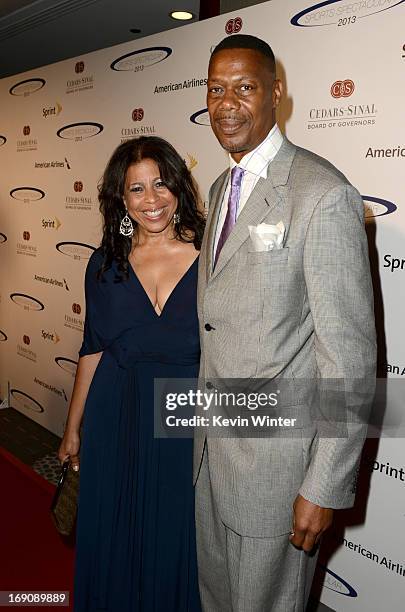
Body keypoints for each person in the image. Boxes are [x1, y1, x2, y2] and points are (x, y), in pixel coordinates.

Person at [194, 34, 376, 611]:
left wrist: (322, 485)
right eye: (217, 89)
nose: (228, 103)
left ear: (276, 93)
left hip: (277, 470)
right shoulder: (222, 186)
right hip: (211, 457)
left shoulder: (322, 195)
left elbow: (347, 358)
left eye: (244, 87)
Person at [58, 136, 204, 612]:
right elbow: (92, 349)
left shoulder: (212, 257)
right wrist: (73, 428)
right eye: (136, 189)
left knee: (176, 531)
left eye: (161, 184)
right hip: (115, 410)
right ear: (121, 199)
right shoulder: (105, 265)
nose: (152, 200)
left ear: (178, 187)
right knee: (114, 526)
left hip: (185, 414)